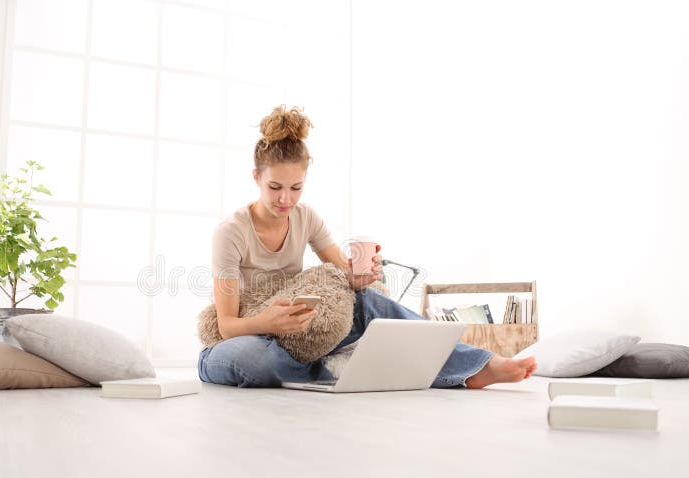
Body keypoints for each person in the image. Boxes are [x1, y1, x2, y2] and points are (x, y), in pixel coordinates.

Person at [198, 105, 537, 388]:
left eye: (296, 188)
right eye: (274, 187)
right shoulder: (231, 231)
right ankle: (328, 369)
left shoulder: (306, 218)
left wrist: (358, 279)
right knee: (256, 361)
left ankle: (475, 366)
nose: (285, 199)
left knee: (367, 301)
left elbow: (343, 273)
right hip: (243, 338)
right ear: (256, 177)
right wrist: (269, 322)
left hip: (293, 335)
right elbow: (227, 325)